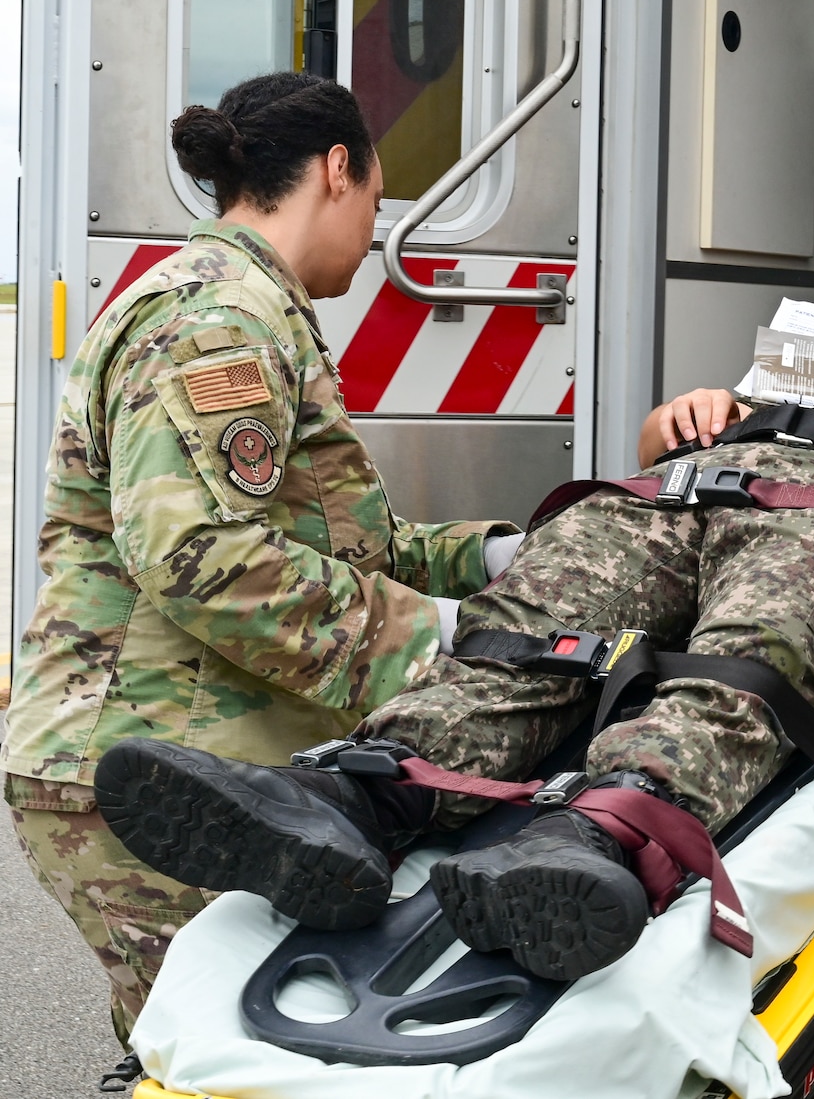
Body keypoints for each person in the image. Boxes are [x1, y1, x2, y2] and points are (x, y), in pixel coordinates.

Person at [91, 236, 814, 983]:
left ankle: (604, 831)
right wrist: (676, 418)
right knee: (528, 615)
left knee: (750, 654)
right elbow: (662, 438)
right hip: (691, 489)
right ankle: (365, 794)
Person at [6, 73, 522, 1045]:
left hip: (175, 756)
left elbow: (337, 543)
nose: (374, 229)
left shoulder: (251, 307)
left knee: (198, 1052)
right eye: (376, 197)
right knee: (242, 1052)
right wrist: (432, 635)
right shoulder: (215, 316)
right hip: (146, 765)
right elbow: (198, 552)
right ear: (338, 171)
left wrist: (494, 559)